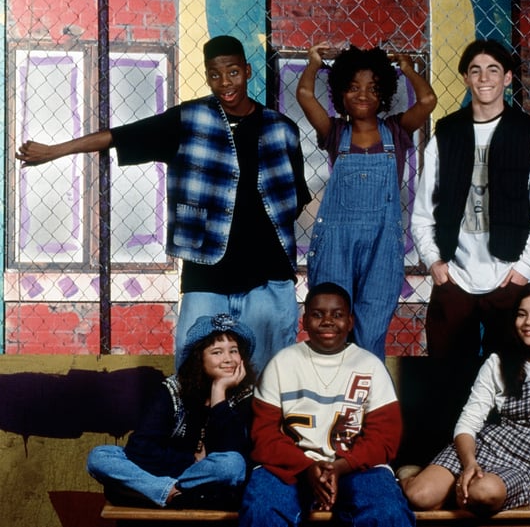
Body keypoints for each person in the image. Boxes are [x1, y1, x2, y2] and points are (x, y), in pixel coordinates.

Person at [16, 35, 311, 376]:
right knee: (194, 374)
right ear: (207, 77)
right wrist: (54, 151)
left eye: (232, 72)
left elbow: (295, 199)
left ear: (246, 71)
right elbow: (120, 136)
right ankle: (192, 431)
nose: (225, 83)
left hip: (269, 278)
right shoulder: (188, 121)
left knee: (270, 378)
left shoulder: (282, 129)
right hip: (208, 274)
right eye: (215, 75)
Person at [410, 38, 530, 446]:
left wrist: (523, 271)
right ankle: (442, 454)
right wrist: (434, 263)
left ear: (508, 78)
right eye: (475, 70)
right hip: (454, 277)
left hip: (506, 277)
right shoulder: (447, 132)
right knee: (445, 374)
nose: (484, 78)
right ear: (465, 78)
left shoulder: (526, 132)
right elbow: (423, 209)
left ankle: (504, 450)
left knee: (511, 373)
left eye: (494, 70)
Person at [398, 281, 530, 516]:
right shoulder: (498, 362)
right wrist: (470, 463)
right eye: (522, 315)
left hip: (524, 465)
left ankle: (458, 491)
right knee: (419, 497)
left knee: (483, 493)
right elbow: (468, 422)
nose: (529, 322)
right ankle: (410, 477)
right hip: (482, 448)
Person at [297, 43, 437, 360]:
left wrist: (407, 67)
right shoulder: (335, 133)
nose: (363, 95)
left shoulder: (396, 131)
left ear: (384, 95)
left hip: (381, 246)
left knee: (370, 335)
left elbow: (428, 100)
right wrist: (314, 64)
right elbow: (305, 95)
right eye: (354, 87)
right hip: (336, 244)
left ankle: (368, 405)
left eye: (373, 89)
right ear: (341, 93)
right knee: (330, 331)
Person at [239, 281, 414, 527]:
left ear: (350, 322)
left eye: (338, 315)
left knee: (387, 511)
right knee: (262, 508)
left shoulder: (370, 365)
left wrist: (342, 466)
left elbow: (384, 438)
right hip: (292, 465)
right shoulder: (282, 363)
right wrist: (307, 467)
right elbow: (264, 436)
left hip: (356, 466)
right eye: (318, 314)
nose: (328, 321)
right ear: (305, 321)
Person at [86, 313, 256, 509]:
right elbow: (139, 448)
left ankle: (151, 491)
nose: (228, 359)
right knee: (100, 456)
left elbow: (236, 455)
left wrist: (219, 393)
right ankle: (171, 493)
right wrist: (191, 460)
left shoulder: (244, 394)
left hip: (209, 475)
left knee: (232, 465)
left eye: (233, 351)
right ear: (198, 358)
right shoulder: (173, 390)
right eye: (217, 352)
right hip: (163, 472)